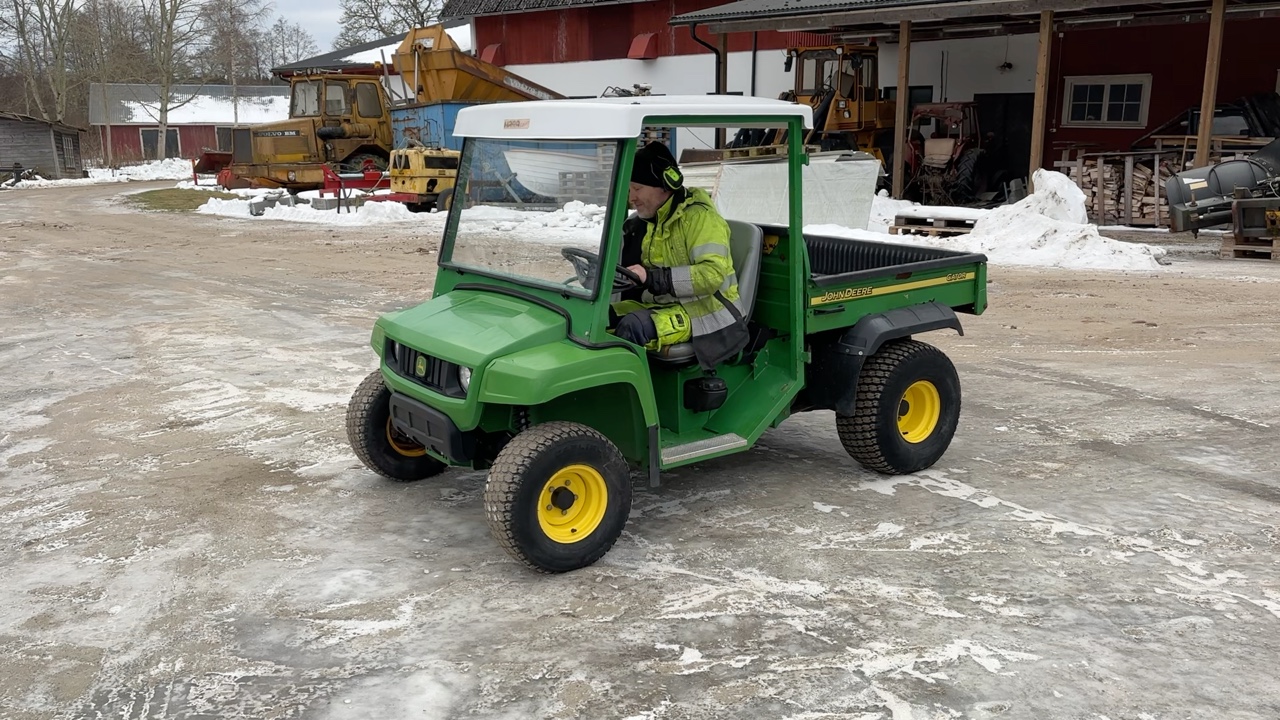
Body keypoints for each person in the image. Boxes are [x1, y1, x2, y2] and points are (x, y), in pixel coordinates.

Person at [610, 141, 749, 371]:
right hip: (664, 304)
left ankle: (626, 394)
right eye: (629, 189)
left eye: (637, 188)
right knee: (598, 318)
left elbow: (712, 274)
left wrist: (653, 278)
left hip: (706, 312)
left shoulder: (701, 219)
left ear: (664, 186)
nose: (631, 197)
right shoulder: (653, 220)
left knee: (633, 327)